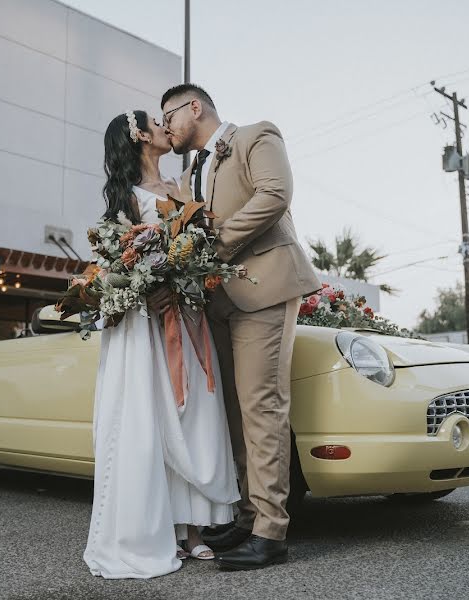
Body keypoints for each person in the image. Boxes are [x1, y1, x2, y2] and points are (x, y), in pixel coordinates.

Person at [160, 83, 320, 570]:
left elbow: (276, 194)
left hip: (264, 286)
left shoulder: (256, 136)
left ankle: (271, 531)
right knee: (233, 412)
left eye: (169, 117)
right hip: (220, 301)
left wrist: (214, 243)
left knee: (261, 406)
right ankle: (250, 516)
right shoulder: (190, 171)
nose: (165, 128)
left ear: (195, 107)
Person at [82, 110, 240, 579]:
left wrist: (190, 275)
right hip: (148, 321)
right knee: (154, 414)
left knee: (195, 414)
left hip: (189, 314)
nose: (163, 128)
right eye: (155, 122)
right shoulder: (126, 199)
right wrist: (149, 284)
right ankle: (162, 528)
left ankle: (195, 530)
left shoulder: (183, 187)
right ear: (139, 137)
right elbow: (119, 256)